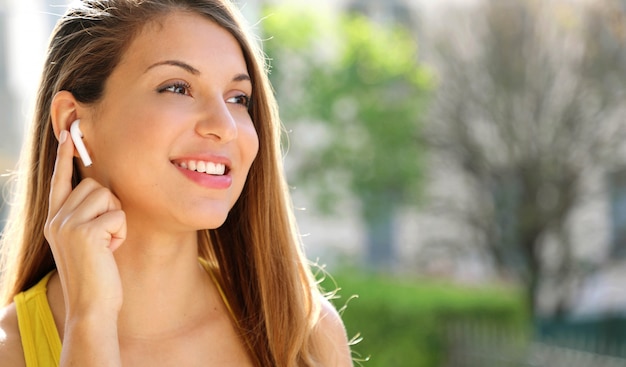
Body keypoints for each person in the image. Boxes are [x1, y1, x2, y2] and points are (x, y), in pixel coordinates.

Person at [0, 0, 354, 366]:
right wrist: (90, 319)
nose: (224, 126)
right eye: (177, 88)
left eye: (238, 98)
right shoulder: (9, 352)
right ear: (74, 122)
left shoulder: (306, 337)